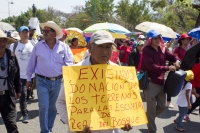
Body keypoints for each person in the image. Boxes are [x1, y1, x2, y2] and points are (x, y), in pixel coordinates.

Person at [56, 30, 132, 133]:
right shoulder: (75, 72)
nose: (105, 51)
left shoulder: (118, 72)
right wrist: (74, 125)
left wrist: (125, 119)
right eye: (100, 46)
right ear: (90, 48)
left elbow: (124, 102)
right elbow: (61, 102)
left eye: (108, 47)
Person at [26, 21, 73, 133]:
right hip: (42, 81)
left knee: (53, 107)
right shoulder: (38, 46)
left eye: (47, 31)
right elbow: (31, 64)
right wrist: (29, 79)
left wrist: (70, 80)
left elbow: (69, 64)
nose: (44, 33)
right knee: (43, 106)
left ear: (54, 33)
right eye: (43, 31)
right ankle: (45, 131)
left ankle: (49, 128)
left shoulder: (64, 47)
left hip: (58, 82)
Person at [142, 29, 180, 133]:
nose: (157, 40)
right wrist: (168, 68)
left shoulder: (162, 49)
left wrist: (176, 60)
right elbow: (151, 67)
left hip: (161, 82)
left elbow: (172, 56)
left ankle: (147, 117)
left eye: (158, 38)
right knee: (151, 109)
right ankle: (152, 130)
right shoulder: (146, 50)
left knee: (162, 106)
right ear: (149, 39)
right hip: (150, 82)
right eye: (154, 38)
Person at [9, 26, 34, 123]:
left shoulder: (33, 44)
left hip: (31, 75)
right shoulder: (13, 46)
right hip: (19, 75)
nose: (25, 34)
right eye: (23, 32)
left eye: (26, 32)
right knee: (23, 94)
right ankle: (25, 113)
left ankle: (23, 107)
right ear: (19, 34)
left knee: (27, 94)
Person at [0, 29, 21, 133]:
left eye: (4, 40)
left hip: (8, 96)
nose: (2, 43)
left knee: (12, 125)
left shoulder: (11, 55)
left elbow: (17, 74)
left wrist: (18, 90)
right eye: (0, 41)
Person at [167, 34, 192, 108]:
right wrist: (176, 64)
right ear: (182, 40)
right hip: (177, 71)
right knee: (172, 85)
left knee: (187, 87)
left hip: (186, 71)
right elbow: (174, 59)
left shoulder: (189, 49)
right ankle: (168, 101)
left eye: (188, 39)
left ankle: (189, 103)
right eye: (186, 39)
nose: (187, 41)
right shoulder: (177, 49)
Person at [185, 52, 200, 121]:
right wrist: (193, 87)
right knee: (198, 102)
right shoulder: (196, 66)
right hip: (197, 86)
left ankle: (187, 112)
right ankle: (187, 112)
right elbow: (192, 77)